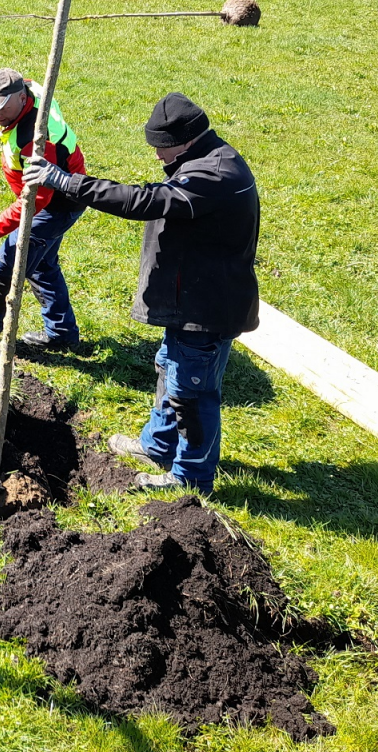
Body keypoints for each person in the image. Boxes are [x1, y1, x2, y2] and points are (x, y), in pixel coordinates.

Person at [25, 92, 260, 493]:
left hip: (206, 308)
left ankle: (191, 478)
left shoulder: (214, 174)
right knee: (170, 370)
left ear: (186, 139)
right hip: (191, 299)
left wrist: (66, 181)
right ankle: (157, 446)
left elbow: (145, 201)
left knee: (193, 392)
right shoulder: (200, 159)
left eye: (162, 148)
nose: (157, 157)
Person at [0, 67, 88, 353]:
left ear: (18, 98)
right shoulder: (27, 89)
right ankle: (62, 333)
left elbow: (36, 199)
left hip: (57, 202)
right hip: (50, 195)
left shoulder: (36, 141)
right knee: (42, 265)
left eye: (0, 109)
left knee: (8, 262)